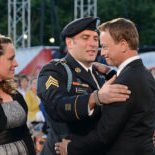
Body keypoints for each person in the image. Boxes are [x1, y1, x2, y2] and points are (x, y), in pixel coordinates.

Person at [56, 18, 155, 155]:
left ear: (122, 45)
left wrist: (70, 148)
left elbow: (104, 134)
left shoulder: (126, 81)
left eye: (104, 47)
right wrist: (111, 73)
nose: (102, 53)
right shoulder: (143, 73)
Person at [37, 17, 131, 155]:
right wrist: (95, 98)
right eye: (85, 38)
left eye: (95, 38)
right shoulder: (55, 70)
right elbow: (56, 106)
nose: (93, 44)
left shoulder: (98, 73)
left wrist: (111, 72)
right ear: (70, 43)